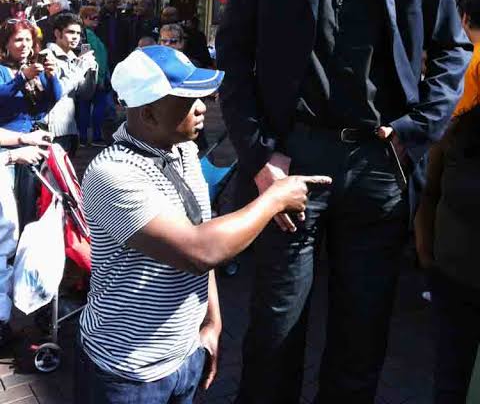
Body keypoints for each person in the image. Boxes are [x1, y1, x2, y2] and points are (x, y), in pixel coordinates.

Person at [215, 0, 471, 404]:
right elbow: (236, 49)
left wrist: (413, 134)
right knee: (275, 335)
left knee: (362, 343)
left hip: (379, 162)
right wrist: (260, 153)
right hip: (293, 159)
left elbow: (452, 48)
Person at [75, 45, 330, 404]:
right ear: (148, 114)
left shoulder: (183, 150)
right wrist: (274, 199)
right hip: (129, 372)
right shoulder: (113, 173)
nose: (202, 107)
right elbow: (199, 250)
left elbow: (201, 226)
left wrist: (212, 321)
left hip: (185, 355)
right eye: (187, 100)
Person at [0, 19, 61, 345]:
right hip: (8, 152)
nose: (23, 46)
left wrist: (51, 76)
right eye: (17, 40)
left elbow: (50, 101)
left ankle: (26, 297)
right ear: (5, 44)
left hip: (32, 150)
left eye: (27, 40)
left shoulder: (34, 69)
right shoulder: (5, 72)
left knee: (28, 224)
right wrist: (21, 78)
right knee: (7, 230)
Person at [415, 103, 480, 403]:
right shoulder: (459, 131)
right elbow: (429, 193)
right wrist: (426, 256)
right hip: (455, 286)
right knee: (451, 384)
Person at [46, 13, 97, 157]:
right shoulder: (48, 56)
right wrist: (80, 69)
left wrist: (91, 71)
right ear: (57, 33)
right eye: (70, 32)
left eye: (78, 33)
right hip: (52, 131)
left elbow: (85, 94)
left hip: (70, 130)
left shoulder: (74, 58)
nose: (76, 37)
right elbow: (58, 91)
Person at [78, 6, 110, 147]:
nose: (96, 20)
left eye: (98, 18)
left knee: (86, 107)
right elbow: (93, 57)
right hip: (93, 77)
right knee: (95, 107)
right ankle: (93, 137)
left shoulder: (89, 34)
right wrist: (101, 78)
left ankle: (84, 138)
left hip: (92, 76)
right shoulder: (86, 35)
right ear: (84, 18)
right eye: (93, 18)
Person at [96, 0, 129, 73]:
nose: (111, 4)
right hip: (104, 51)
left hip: (119, 52)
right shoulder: (98, 17)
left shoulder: (122, 17)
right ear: (104, 3)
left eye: (114, 2)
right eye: (109, 2)